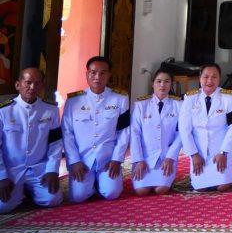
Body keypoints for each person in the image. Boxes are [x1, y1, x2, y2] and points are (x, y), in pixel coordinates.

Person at [63, 56, 129, 203]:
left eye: (103, 73)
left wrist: (117, 158)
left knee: (111, 193)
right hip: (83, 160)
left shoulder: (120, 98)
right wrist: (74, 161)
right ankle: (91, 183)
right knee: (78, 197)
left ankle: (100, 182)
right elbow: (67, 133)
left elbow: (124, 132)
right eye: (93, 72)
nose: (97, 77)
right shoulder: (73, 100)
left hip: (107, 159)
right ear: (87, 74)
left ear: (109, 75)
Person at [0, 68, 62, 212]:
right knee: (2, 206)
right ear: (18, 85)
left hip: (38, 168)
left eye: (37, 83)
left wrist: (52, 169)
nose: (32, 87)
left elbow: (55, 143)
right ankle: (20, 190)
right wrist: (1, 176)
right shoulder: (4, 111)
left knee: (52, 199)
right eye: (28, 83)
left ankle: (28, 190)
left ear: (42, 86)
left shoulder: (51, 109)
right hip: (11, 169)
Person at [178, 63, 232, 192]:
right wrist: (194, 154)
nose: (210, 81)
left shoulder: (229, 97)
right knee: (200, 188)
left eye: (214, 77)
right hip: (200, 153)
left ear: (219, 79)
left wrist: (223, 152)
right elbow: (184, 129)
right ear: (200, 78)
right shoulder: (190, 98)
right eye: (206, 77)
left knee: (222, 187)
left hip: (222, 151)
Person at [129, 68, 183, 195]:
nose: (162, 85)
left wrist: (170, 157)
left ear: (171, 84)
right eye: (159, 81)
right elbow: (134, 134)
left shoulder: (179, 105)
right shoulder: (141, 105)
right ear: (152, 83)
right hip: (145, 157)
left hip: (166, 157)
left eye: (167, 81)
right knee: (141, 191)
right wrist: (138, 159)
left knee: (161, 190)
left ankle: (168, 178)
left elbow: (181, 134)